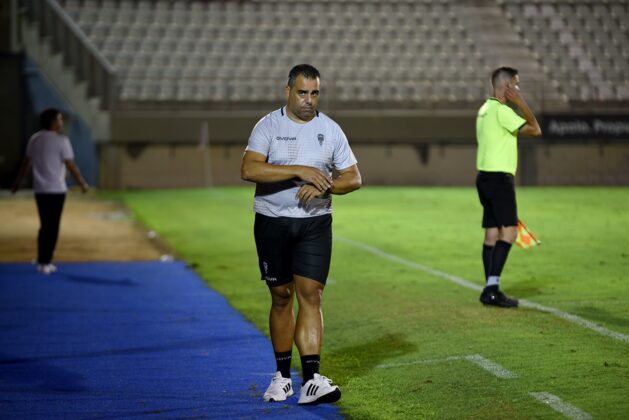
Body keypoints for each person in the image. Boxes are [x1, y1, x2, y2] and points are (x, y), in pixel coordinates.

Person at [241, 64, 361, 405]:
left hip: (314, 224)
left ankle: (311, 380)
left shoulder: (331, 129)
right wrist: (302, 170)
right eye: (302, 92)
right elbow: (249, 169)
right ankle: (281, 378)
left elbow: (354, 177)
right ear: (288, 91)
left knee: (312, 295)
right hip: (272, 222)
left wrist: (327, 187)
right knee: (281, 296)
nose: (309, 100)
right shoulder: (268, 126)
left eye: (315, 93)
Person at [476, 67, 542, 308]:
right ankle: (491, 289)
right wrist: (522, 103)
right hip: (499, 180)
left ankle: (490, 288)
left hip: (483, 178)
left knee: (492, 233)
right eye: (517, 85)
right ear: (507, 88)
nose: (518, 89)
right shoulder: (503, 112)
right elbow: (535, 129)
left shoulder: (484, 110)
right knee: (510, 233)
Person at [11, 108, 89, 274]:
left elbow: (26, 163)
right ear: (53, 122)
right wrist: (82, 183)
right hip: (56, 190)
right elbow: (70, 165)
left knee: (44, 225)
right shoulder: (62, 141)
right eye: (60, 119)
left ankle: (42, 258)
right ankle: (45, 262)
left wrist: (17, 182)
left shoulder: (35, 139)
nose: (61, 123)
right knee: (52, 227)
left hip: (40, 190)